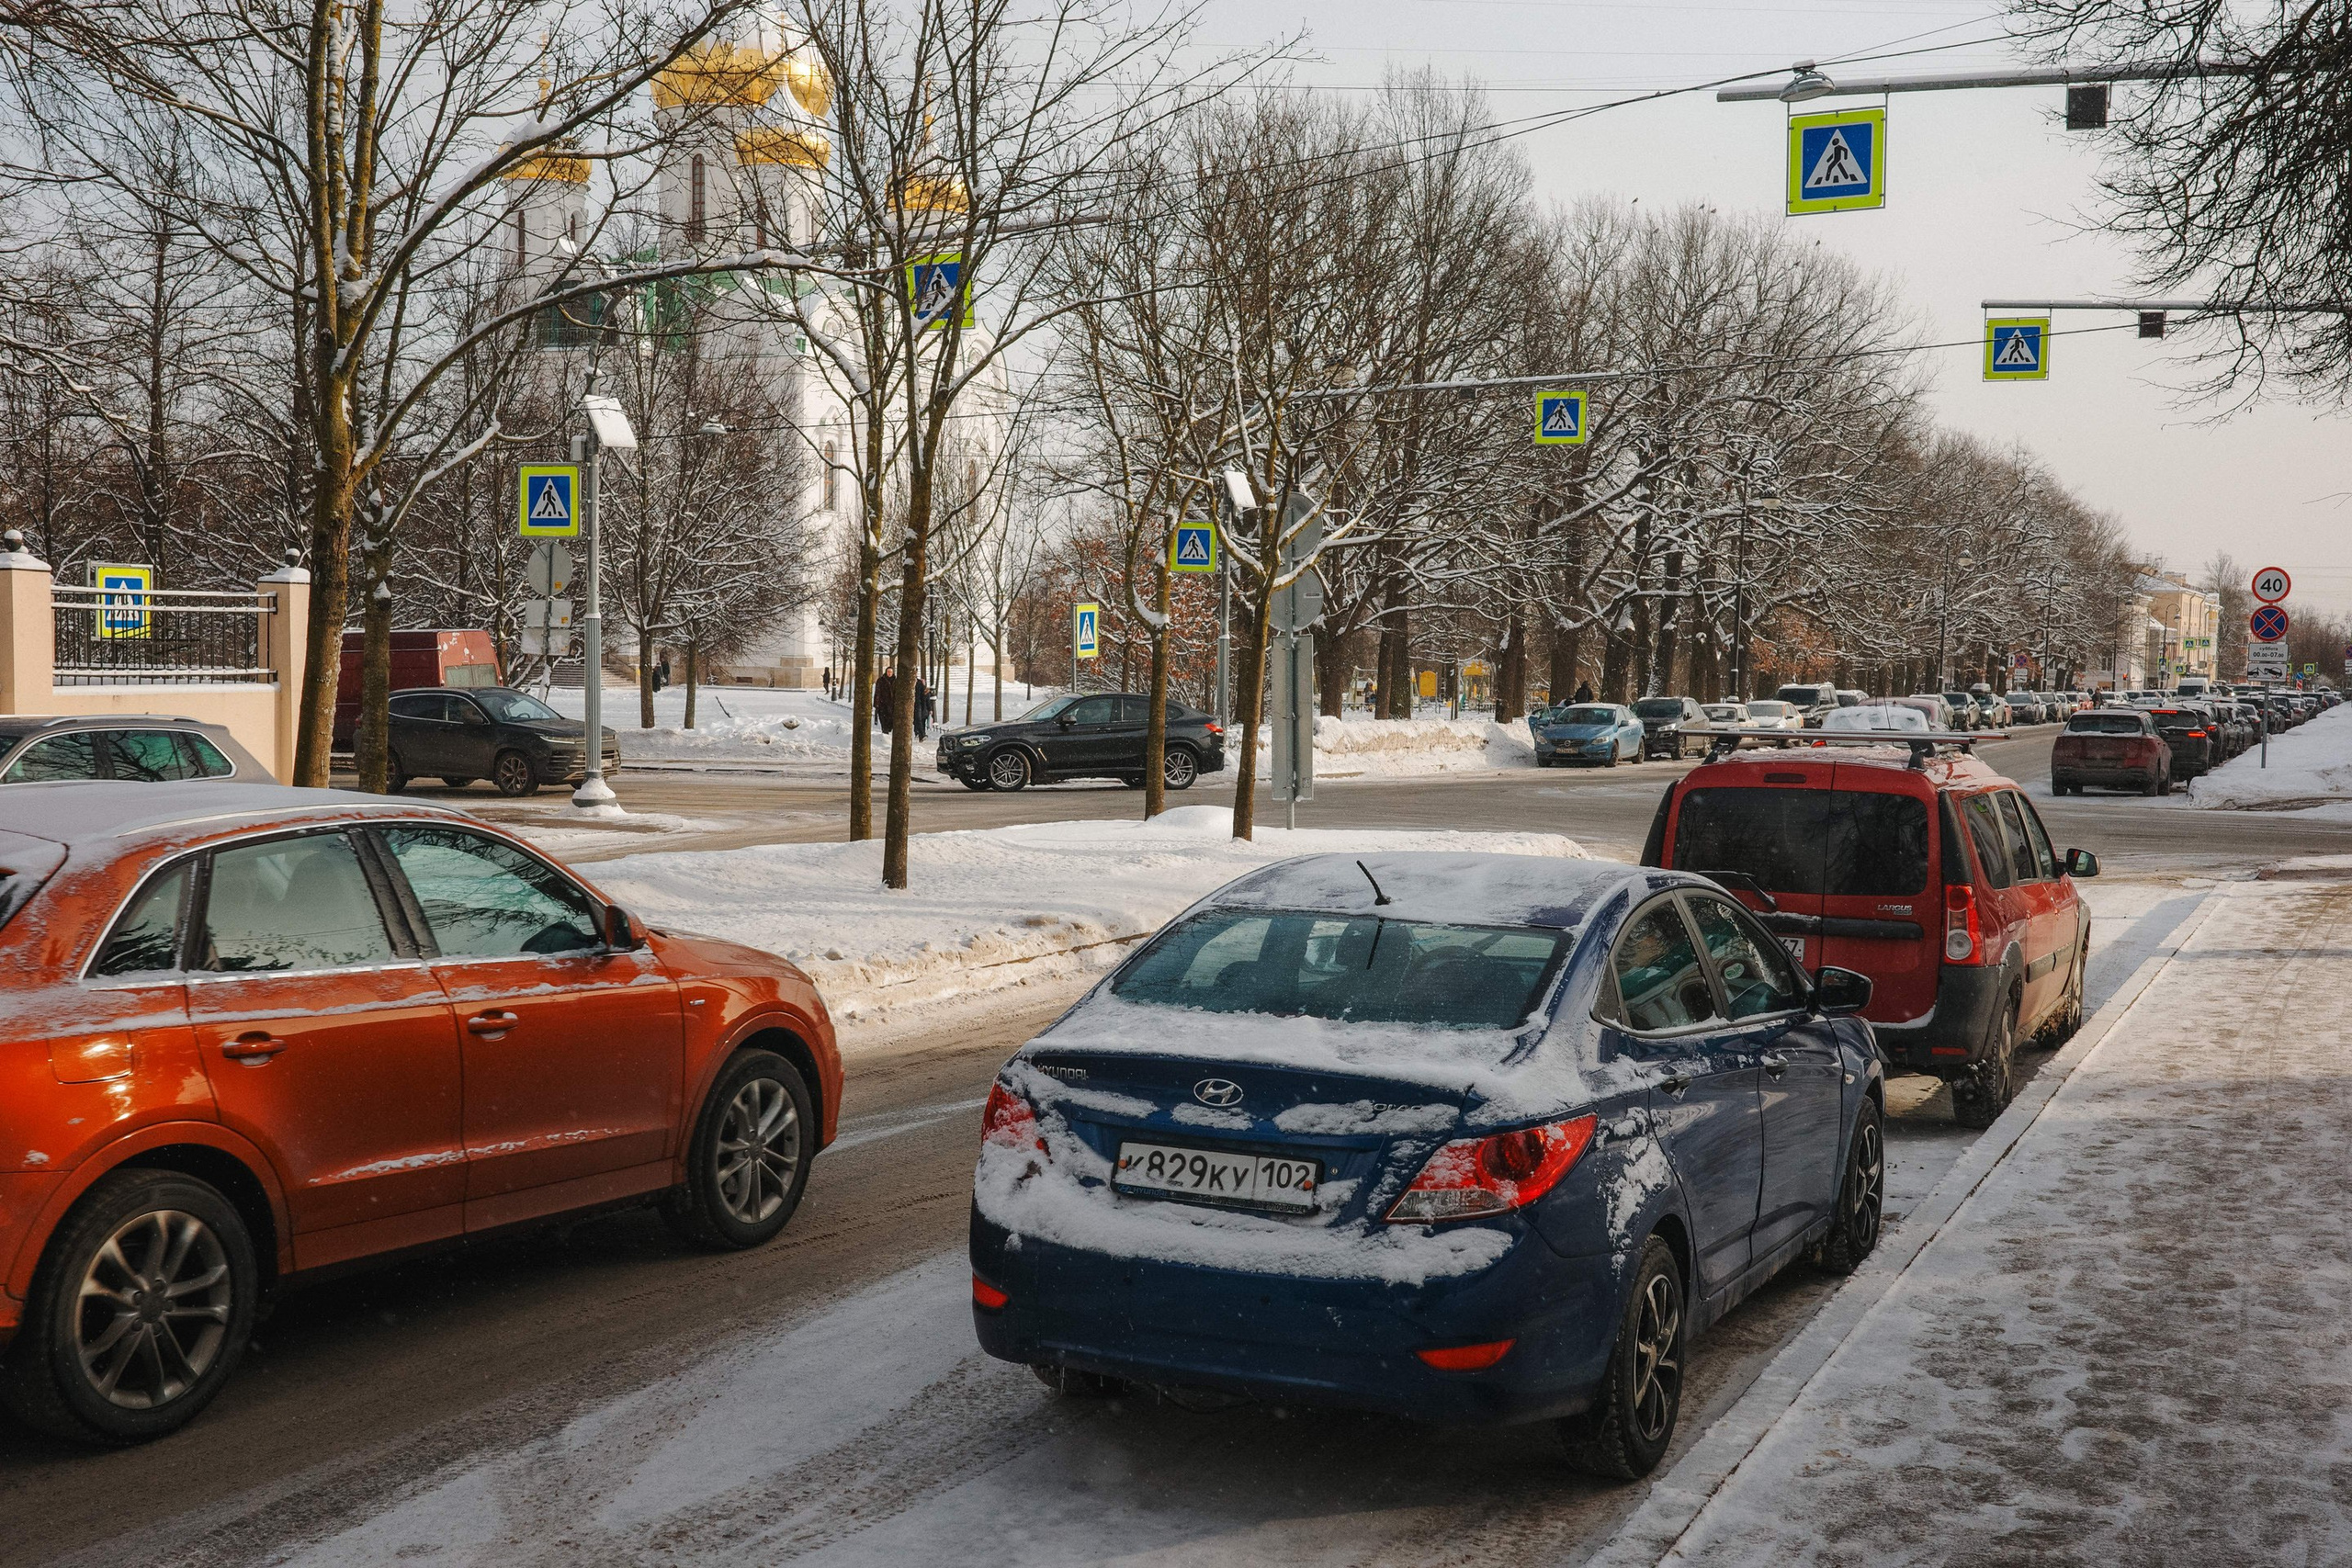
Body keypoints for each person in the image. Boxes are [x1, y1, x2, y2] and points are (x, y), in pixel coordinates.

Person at [875, 665, 897, 733]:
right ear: (886, 672)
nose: (889, 673)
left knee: (891, 719)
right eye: (888, 671)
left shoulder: (896, 681)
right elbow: (877, 692)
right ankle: (884, 731)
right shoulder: (881, 680)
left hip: (892, 703)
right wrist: (877, 703)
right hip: (883, 703)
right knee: (883, 718)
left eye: (891, 672)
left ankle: (888, 730)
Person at [912, 675, 933, 741]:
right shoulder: (908, 682)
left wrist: (929, 709)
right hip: (913, 704)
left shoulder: (919, 683)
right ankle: (919, 733)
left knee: (919, 719)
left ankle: (921, 734)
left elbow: (926, 700)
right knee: (917, 720)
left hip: (919, 705)